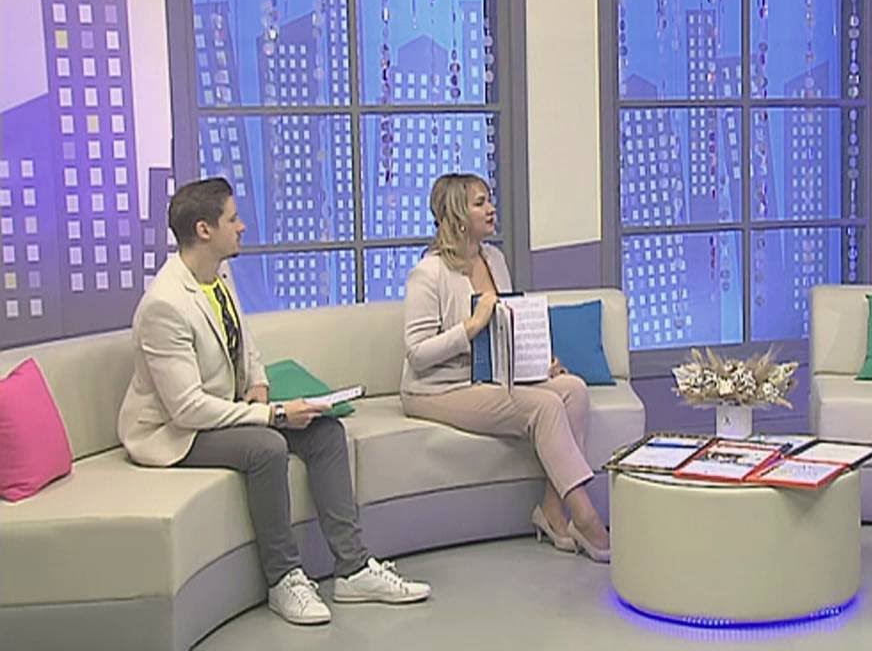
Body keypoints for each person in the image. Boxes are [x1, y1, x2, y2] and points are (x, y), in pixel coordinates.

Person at [118, 178, 430, 625]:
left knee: (325, 431)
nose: (242, 226)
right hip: (173, 433)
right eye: (232, 219)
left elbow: (245, 345)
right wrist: (274, 414)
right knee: (266, 447)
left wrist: (260, 385)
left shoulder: (217, 275)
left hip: (223, 408)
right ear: (204, 230)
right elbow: (187, 409)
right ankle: (283, 578)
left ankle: (354, 568)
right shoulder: (164, 306)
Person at [400, 173, 611, 563]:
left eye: (490, 200)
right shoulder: (428, 273)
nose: (491, 209)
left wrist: (540, 364)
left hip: (489, 378)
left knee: (574, 390)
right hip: (437, 389)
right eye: (480, 203)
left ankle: (552, 511)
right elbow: (417, 354)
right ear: (457, 215)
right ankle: (586, 518)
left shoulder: (494, 260)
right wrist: (471, 325)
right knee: (544, 406)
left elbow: (504, 331)